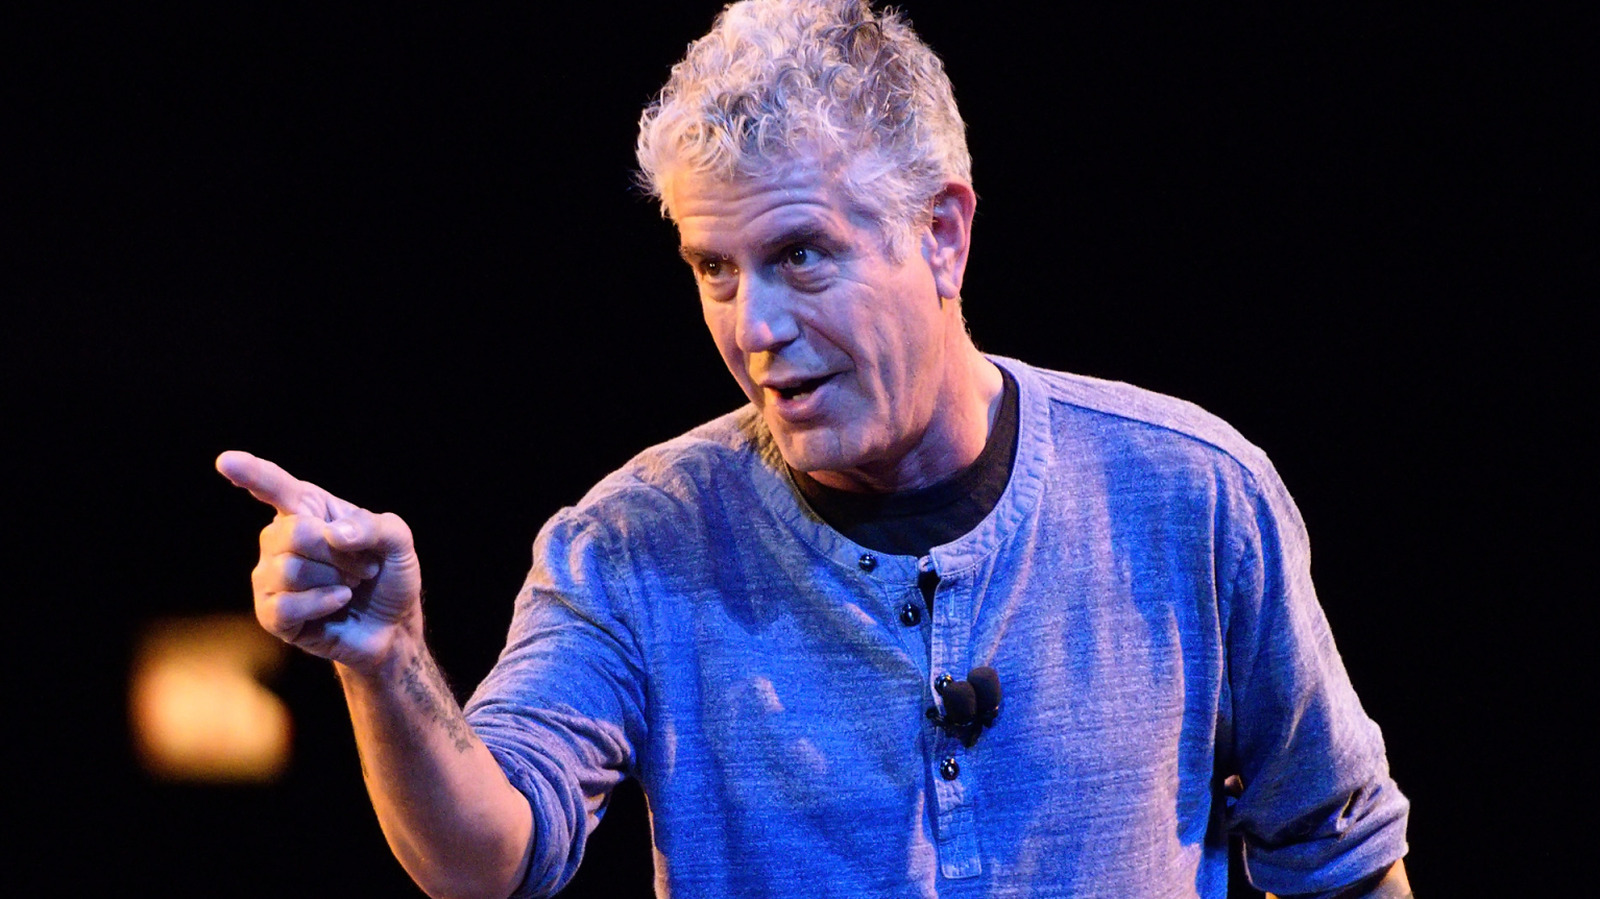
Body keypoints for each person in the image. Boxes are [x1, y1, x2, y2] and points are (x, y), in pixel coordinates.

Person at [216, 1, 1412, 896]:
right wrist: (386, 662)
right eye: (713, 269)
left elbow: (1343, 854)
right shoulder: (633, 543)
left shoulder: (1188, 495)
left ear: (941, 233)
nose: (754, 326)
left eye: (799, 255)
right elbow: (487, 857)